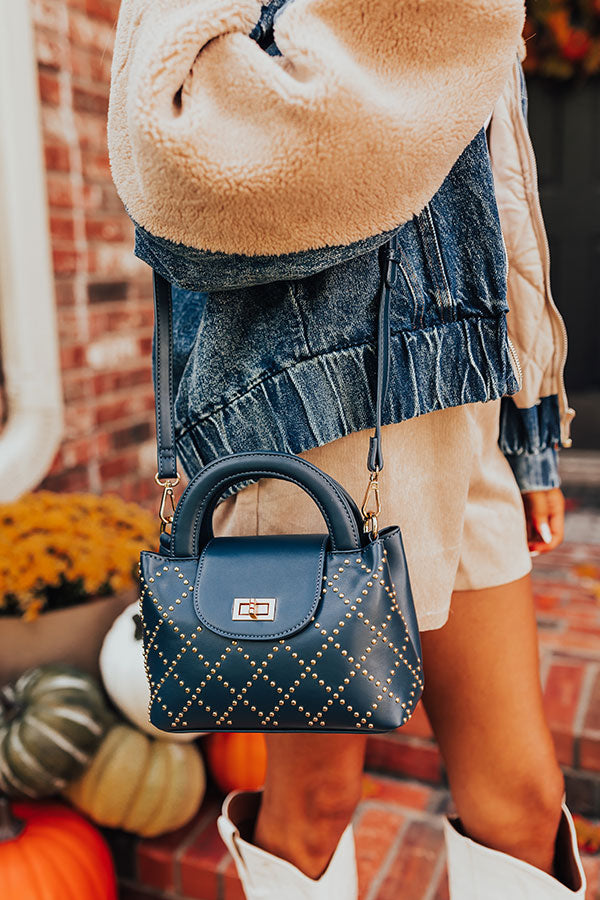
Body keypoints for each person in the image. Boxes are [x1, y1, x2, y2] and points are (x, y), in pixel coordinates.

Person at [108, 0, 585, 896]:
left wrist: (528, 430)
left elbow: (501, 186)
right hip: (312, 417)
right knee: (312, 812)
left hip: (464, 391)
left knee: (521, 806)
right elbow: (177, 141)